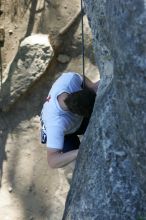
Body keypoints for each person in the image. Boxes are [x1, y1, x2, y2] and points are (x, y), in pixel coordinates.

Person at [40, 72, 99, 169]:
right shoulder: (56, 125)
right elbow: (52, 161)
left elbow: (81, 77)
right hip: (66, 135)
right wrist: (79, 151)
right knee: (80, 166)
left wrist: (91, 86)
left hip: (69, 120)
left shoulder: (70, 80)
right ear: (77, 114)